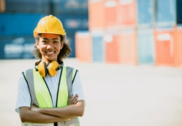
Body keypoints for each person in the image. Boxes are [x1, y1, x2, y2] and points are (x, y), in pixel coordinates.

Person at [15, 15, 85, 126]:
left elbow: (79, 110)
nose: (50, 46)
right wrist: (66, 112)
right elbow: (25, 116)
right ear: (37, 44)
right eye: (45, 41)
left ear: (61, 44)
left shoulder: (72, 75)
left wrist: (38, 110)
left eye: (55, 41)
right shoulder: (26, 77)